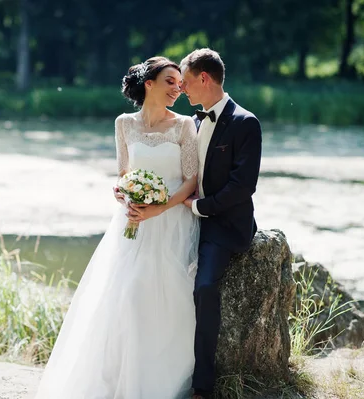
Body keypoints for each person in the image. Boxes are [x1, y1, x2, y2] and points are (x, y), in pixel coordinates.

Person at [34, 56, 200, 399]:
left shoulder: (185, 125)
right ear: (149, 84)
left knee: (161, 295)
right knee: (123, 295)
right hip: (132, 223)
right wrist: (123, 193)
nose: (177, 89)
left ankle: (157, 382)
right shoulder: (124, 124)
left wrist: (158, 208)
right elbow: (124, 172)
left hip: (170, 222)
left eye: (180, 84)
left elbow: (190, 182)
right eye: (170, 81)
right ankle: (115, 378)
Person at [179, 48, 262, 399]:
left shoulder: (245, 122)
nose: (181, 90)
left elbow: (243, 187)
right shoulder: (193, 123)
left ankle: (203, 385)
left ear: (203, 78)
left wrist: (200, 208)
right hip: (188, 219)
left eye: (184, 82)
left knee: (205, 288)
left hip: (224, 226)